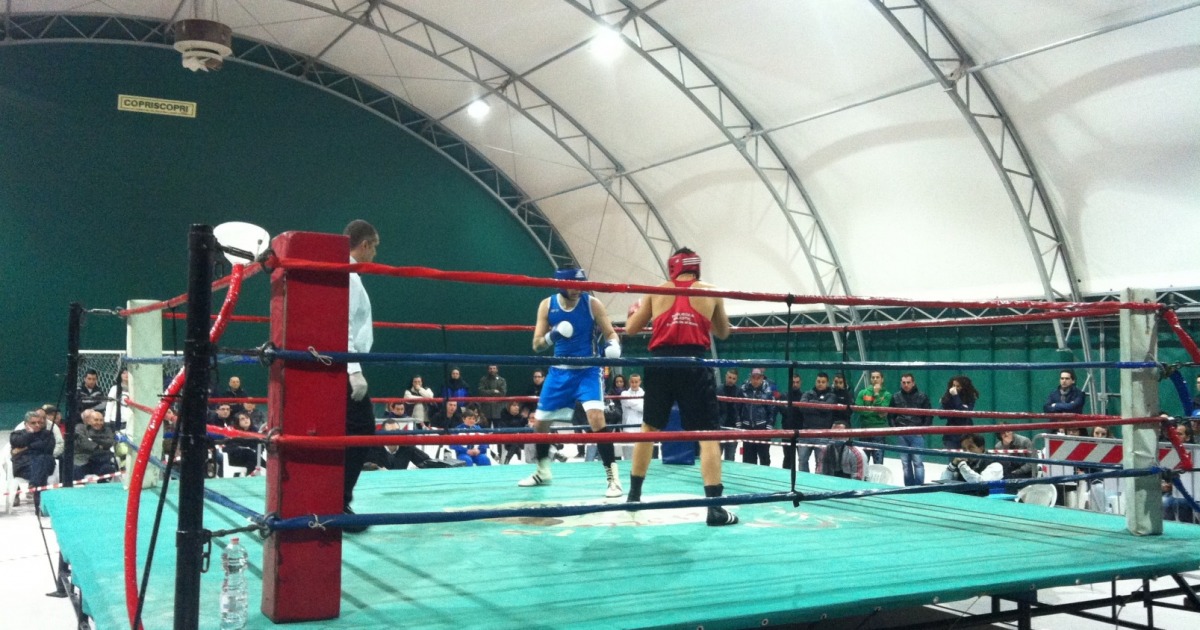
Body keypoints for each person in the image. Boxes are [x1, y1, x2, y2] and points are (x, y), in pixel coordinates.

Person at [624, 247, 738, 526]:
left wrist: (635, 312)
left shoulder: (656, 291)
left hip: (660, 364)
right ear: (696, 266)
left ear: (673, 266)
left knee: (649, 429)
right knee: (708, 435)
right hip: (693, 363)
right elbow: (723, 332)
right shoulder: (711, 291)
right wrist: (707, 316)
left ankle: (633, 496)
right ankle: (714, 508)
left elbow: (630, 329)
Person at [519, 266, 624, 498]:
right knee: (540, 422)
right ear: (561, 285)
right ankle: (542, 471)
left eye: (581, 284)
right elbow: (536, 345)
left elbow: (611, 333)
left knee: (596, 419)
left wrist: (613, 345)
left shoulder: (592, 304)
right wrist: (553, 334)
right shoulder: (547, 305)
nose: (578, 289)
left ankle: (613, 479)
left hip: (588, 370)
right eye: (573, 285)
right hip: (559, 371)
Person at [342, 219, 380, 532]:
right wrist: (354, 371)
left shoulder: (348, 273)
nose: (375, 254)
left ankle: (337, 500)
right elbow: (344, 325)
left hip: (344, 363)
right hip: (345, 365)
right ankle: (339, 501)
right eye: (375, 247)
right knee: (362, 427)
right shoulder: (350, 276)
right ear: (364, 244)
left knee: (349, 431)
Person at [889, 373, 931, 486]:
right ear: (901, 383)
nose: (906, 385)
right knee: (905, 463)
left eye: (908, 382)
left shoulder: (922, 396)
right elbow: (890, 415)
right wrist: (895, 430)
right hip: (902, 434)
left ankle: (918, 488)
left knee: (918, 462)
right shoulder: (895, 397)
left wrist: (922, 431)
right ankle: (908, 488)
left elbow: (929, 416)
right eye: (904, 382)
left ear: (913, 383)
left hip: (916, 433)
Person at [10, 410, 56, 507]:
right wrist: (29, 434)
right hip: (25, 467)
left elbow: (48, 447)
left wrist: (26, 448)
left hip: (44, 464)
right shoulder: (16, 434)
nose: (37, 425)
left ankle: (34, 484)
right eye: (33, 423)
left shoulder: (48, 434)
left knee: (42, 459)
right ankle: (40, 505)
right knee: (41, 471)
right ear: (26, 424)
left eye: (39, 422)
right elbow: (18, 442)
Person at [364, 419, 450, 470]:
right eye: (391, 432)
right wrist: (376, 468)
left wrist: (446, 466)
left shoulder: (406, 447)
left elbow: (426, 461)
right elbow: (360, 464)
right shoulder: (374, 448)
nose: (395, 435)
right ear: (383, 435)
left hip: (400, 485)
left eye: (397, 431)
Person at [795, 373, 835, 473]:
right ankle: (803, 480)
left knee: (821, 462)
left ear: (827, 383)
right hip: (806, 432)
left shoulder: (832, 395)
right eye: (818, 381)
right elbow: (802, 407)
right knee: (802, 460)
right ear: (815, 381)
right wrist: (819, 407)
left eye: (823, 382)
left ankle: (818, 482)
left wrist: (812, 403)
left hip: (823, 434)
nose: (820, 384)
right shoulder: (807, 393)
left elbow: (827, 408)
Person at [739, 368, 777, 466]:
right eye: (753, 377)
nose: (755, 380)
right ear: (750, 377)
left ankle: (764, 475)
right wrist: (739, 422)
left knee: (764, 458)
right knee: (748, 460)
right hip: (747, 427)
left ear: (762, 378)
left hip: (762, 428)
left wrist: (769, 425)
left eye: (758, 378)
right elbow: (738, 406)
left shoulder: (768, 390)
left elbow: (772, 409)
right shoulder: (743, 389)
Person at [854, 371, 891, 464]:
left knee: (878, 463)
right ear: (870, 379)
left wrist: (876, 393)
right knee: (863, 462)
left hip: (879, 431)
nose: (875, 379)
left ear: (882, 379)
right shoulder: (863, 392)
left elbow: (882, 410)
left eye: (877, 377)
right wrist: (875, 412)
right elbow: (859, 410)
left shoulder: (887, 395)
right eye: (873, 377)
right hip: (864, 430)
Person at [73, 409, 118, 480]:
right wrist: (98, 446)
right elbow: (83, 442)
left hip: (100, 460)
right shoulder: (80, 427)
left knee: (108, 469)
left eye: (101, 420)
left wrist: (92, 439)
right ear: (89, 421)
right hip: (82, 459)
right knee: (76, 469)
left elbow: (110, 442)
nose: (99, 422)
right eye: (96, 420)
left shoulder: (107, 429)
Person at [939, 375, 980, 450]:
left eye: (958, 386)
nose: (955, 388)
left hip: (966, 434)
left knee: (967, 455)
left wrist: (956, 397)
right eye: (953, 385)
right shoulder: (947, 397)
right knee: (952, 456)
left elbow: (964, 413)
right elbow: (941, 415)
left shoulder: (970, 398)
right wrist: (956, 408)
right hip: (951, 435)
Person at [717, 369, 744, 461]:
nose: (731, 380)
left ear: (736, 380)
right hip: (720, 426)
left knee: (730, 456)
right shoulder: (718, 390)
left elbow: (742, 408)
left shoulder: (739, 391)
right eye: (729, 377)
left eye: (733, 378)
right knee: (717, 454)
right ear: (726, 376)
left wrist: (739, 421)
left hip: (733, 427)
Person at [619, 374, 645, 461]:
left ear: (640, 382)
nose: (634, 384)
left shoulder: (645, 394)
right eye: (632, 382)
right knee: (627, 457)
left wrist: (631, 404)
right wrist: (638, 403)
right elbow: (627, 402)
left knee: (640, 456)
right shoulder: (624, 393)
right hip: (627, 428)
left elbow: (643, 408)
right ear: (629, 382)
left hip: (640, 428)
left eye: (636, 382)